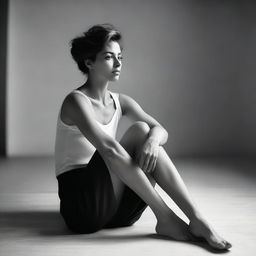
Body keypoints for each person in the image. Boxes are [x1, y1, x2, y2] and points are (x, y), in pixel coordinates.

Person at [54, 23, 232, 250]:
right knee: (139, 131)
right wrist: (146, 138)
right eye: (109, 57)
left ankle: (197, 219)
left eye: (120, 57)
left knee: (147, 134)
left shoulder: (121, 101)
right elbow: (108, 149)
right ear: (89, 62)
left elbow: (161, 129)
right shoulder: (76, 101)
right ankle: (165, 216)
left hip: (118, 213)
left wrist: (153, 141)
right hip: (82, 207)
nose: (118, 63)